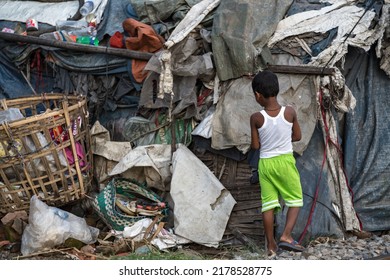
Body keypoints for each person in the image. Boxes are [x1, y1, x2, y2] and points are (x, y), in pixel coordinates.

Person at [249, 70, 304, 257]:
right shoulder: (289, 112)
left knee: (268, 205)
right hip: (285, 162)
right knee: (295, 200)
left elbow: (255, 146)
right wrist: (283, 138)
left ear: (257, 95)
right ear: (277, 90)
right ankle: (286, 236)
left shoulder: (256, 118)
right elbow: (297, 136)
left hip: (265, 163)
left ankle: (271, 245)